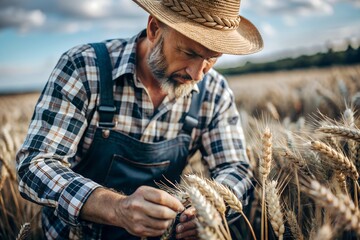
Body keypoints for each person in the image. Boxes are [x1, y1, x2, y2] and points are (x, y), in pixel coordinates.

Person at [16, 0, 263, 239]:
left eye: (212, 58)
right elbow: (36, 164)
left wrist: (210, 209)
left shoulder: (214, 91)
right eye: (189, 53)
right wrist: (116, 208)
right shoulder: (84, 67)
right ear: (154, 29)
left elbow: (235, 168)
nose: (197, 73)